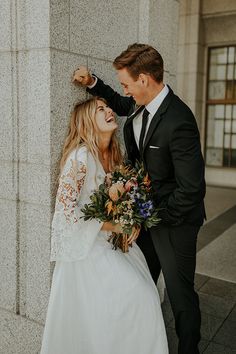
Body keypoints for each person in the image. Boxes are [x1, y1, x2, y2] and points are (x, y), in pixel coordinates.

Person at [73, 43, 206, 354]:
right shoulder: (139, 103)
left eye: (127, 84)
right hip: (145, 217)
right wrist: (94, 83)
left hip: (176, 222)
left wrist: (148, 217)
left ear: (144, 79)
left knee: (180, 296)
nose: (125, 91)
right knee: (138, 283)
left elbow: (192, 190)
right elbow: (120, 103)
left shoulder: (180, 121)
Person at [40, 97, 169, 354]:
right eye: (101, 110)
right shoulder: (79, 158)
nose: (109, 111)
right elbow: (64, 214)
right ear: (87, 122)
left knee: (146, 295)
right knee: (136, 297)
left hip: (115, 245)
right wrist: (115, 226)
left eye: (108, 108)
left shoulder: (114, 157)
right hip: (88, 250)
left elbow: (123, 202)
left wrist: (131, 221)